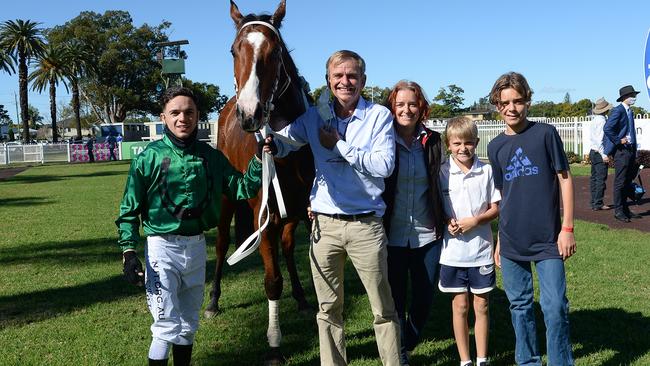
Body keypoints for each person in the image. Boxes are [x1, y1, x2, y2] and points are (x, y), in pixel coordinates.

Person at [115, 86, 273, 366]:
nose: (182, 118)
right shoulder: (147, 157)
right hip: (161, 250)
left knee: (188, 324)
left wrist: (259, 159)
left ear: (198, 115)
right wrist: (128, 251)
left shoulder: (210, 156)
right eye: (175, 112)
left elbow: (240, 187)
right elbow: (129, 209)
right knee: (165, 326)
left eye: (189, 112)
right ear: (163, 117)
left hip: (197, 248)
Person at [273, 50, 401, 365]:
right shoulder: (314, 117)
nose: (345, 82)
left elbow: (384, 166)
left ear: (363, 81)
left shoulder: (378, 117)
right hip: (324, 227)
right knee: (328, 309)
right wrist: (265, 131)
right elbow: (285, 139)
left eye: (352, 76)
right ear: (329, 80)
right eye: (338, 76)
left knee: (383, 308)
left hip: (366, 226)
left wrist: (339, 146)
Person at [486, 72, 576, 366]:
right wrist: (499, 240)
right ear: (497, 106)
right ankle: (528, 361)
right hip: (512, 240)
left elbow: (564, 180)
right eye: (505, 103)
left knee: (554, 307)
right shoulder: (495, 146)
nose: (512, 108)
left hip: (549, 238)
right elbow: (503, 195)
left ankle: (561, 362)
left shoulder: (546, 134)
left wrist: (567, 228)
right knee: (520, 306)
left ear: (528, 101)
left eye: (518, 101)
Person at [382, 80, 446, 366]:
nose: (406, 109)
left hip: (426, 233)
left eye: (412, 104)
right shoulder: (381, 138)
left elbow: (446, 181)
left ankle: (406, 341)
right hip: (392, 234)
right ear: (392, 108)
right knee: (395, 299)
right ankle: (399, 355)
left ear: (421, 107)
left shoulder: (432, 141)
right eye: (400, 104)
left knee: (423, 297)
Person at [438, 117, 500, 366]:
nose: (462, 148)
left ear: (476, 142)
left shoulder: (486, 171)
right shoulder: (441, 172)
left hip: (481, 251)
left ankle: (482, 358)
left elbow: (496, 208)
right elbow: (436, 207)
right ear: (448, 145)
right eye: (456, 143)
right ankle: (465, 360)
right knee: (460, 306)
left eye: (468, 143)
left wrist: (475, 221)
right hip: (451, 254)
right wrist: (447, 221)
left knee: (481, 306)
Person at [603, 85, 642, 222]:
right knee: (620, 182)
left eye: (634, 95)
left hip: (630, 150)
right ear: (625, 97)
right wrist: (618, 140)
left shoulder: (629, 111)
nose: (634, 98)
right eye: (632, 95)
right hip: (621, 152)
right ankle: (618, 211)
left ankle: (625, 209)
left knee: (626, 181)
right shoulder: (617, 111)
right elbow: (607, 128)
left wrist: (635, 151)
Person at [588, 98, 613, 210]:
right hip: (599, 152)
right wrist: (604, 154)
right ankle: (598, 203)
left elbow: (594, 138)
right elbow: (600, 139)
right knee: (600, 179)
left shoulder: (594, 120)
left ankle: (594, 201)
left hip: (593, 151)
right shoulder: (602, 121)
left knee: (594, 178)